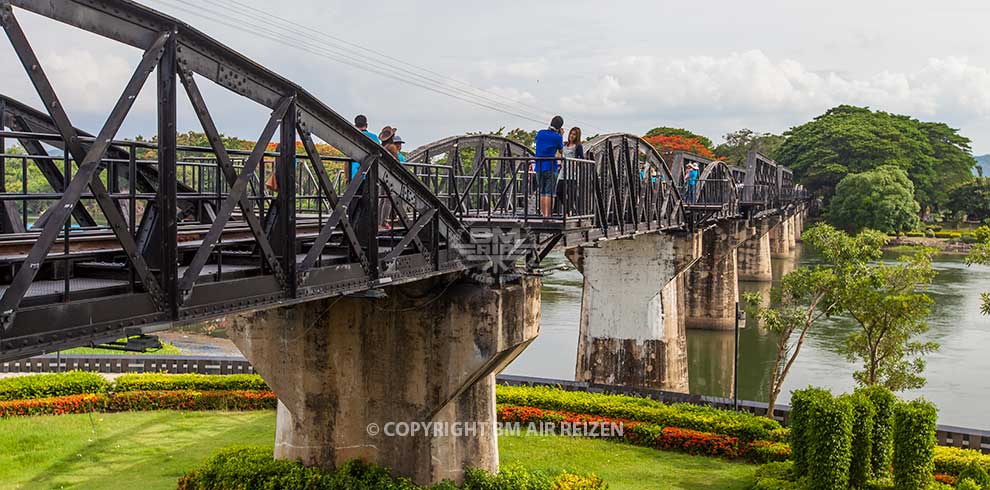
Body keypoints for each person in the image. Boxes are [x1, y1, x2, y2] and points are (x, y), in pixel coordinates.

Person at [534, 115, 564, 217]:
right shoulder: (557, 137)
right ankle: (548, 215)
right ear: (560, 127)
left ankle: (543, 214)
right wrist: (561, 135)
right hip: (551, 166)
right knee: (549, 192)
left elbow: (537, 141)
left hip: (538, 166)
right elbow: (561, 150)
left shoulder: (540, 133)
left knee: (542, 192)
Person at [557, 127, 583, 214]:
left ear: (577, 136)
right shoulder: (565, 145)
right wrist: (560, 135)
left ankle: (569, 211)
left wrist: (577, 162)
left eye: (574, 134)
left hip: (573, 173)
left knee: (571, 193)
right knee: (559, 191)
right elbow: (559, 150)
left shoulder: (578, 146)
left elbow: (582, 158)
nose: (572, 136)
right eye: (571, 133)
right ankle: (570, 209)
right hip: (563, 172)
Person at [351, 114, 380, 179]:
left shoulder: (351, 136)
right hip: (370, 175)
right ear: (366, 125)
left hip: (353, 174)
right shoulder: (374, 137)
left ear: (355, 125)